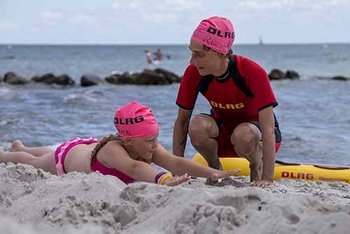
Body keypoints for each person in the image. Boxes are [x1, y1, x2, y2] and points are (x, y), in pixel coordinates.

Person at [0, 101, 240, 186]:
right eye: (149, 140)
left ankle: (22, 146)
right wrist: (163, 179)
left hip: (83, 146)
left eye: (156, 138)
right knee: (34, 162)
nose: (155, 145)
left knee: (46, 152)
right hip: (68, 158)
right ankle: (10, 153)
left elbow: (175, 162)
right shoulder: (113, 150)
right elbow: (135, 169)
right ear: (128, 140)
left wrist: (212, 171)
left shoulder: (146, 146)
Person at [173, 16, 282, 187]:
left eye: (198, 55)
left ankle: (256, 167)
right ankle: (215, 169)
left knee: (243, 134)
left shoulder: (252, 72)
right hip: (224, 135)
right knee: (196, 126)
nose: (192, 61)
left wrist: (268, 177)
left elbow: (268, 128)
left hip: (256, 137)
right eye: (191, 52)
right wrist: (176, 172)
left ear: (219, 52)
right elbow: (181, 122)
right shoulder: (194, 72)